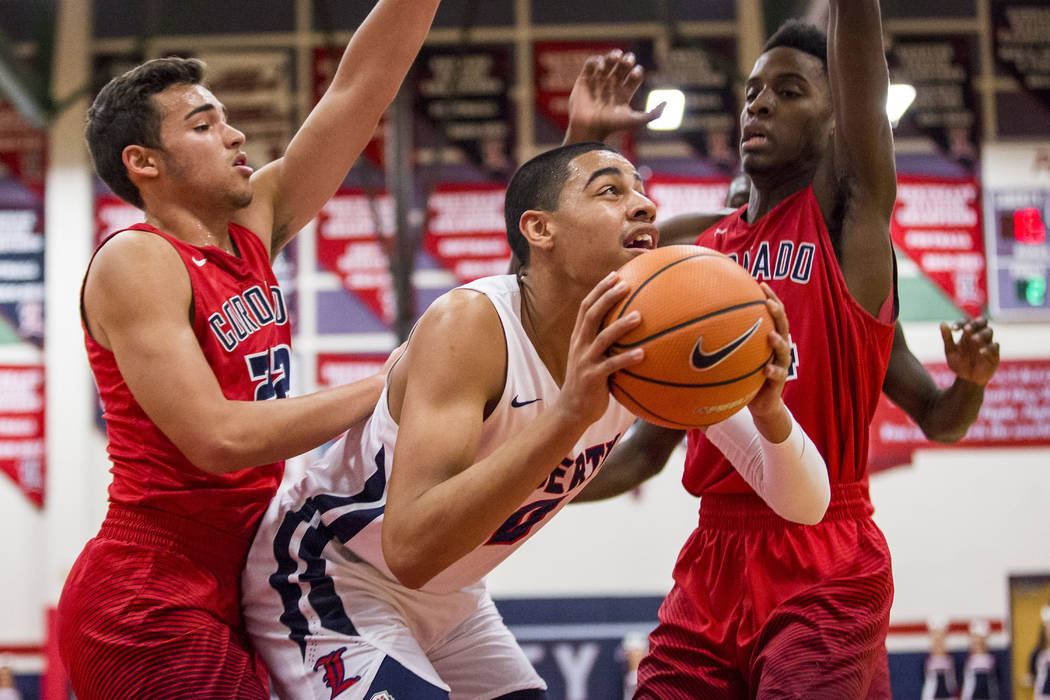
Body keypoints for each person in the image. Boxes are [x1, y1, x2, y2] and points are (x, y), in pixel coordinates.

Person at [241, 141, 832, 699]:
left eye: (642, 190)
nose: (645, 203)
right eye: (610, 191)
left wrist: (768, 410)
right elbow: (410, 547)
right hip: (329, 570)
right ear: (539, 228)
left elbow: (806, 506)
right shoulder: (471, 325)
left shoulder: (653, 338)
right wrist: (569, 417)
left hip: (452, 596)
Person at [561, 6, 999, 697]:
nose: (760, 104)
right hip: (712, 560)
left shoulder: (848, 225)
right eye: (753, 93)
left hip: (824, 555)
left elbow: (941, 418)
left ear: (837, 122)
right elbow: (642, 439)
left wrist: (969, 384)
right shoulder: (698, 256)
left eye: (790, 91)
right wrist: (532, 489)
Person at [55, 2, 442, 698]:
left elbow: (360, 89)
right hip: (150, 592)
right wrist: (393, 384)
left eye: (223, 118)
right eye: (202, 126)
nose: (234, 134)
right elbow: (216, 438)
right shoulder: (136, 260)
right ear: (142, 162)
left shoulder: (250, 225)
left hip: (248, 575)